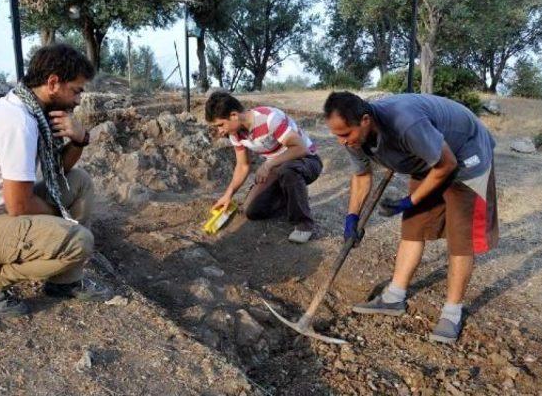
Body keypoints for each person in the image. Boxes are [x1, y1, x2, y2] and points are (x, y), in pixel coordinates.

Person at [0, 44, 112, 318]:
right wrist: (61, 218)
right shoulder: (17, 123)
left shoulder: (30, 111)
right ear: (53, 82)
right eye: (76, 90)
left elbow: (60, 172)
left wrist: (80, 140)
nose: (78, 100)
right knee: (79, 241)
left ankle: (63, 283)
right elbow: (19, 205)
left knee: (79, 182)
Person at [324, 91, 498, 344]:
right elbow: (362, 176)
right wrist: (351, 217)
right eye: (336, 135)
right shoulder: (354, 138)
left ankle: (451, 313)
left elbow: (447, 165)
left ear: (364, 120)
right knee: (413, 228)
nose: (341, 141)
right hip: (429, 159)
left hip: (465, 157)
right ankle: (394, 297)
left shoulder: (405, 121)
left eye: (344, 134)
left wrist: (410, 201)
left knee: (461, 238)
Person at [205, 92, 322, 243]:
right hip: (278, 167)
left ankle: (304, 224)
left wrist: (268, 164)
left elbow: (300, 149)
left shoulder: (270, 119)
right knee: (252, 211)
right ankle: (290, 197)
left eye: (220, 125)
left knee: (288, 170)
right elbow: (243, 165)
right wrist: (228, 195)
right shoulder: (235, 134)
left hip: (306, 160)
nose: (220, 132)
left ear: (234, 115)